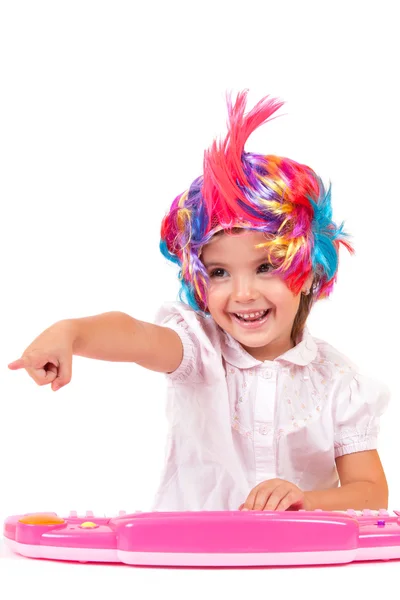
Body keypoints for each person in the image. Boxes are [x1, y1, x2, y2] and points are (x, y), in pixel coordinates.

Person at [8, 91, 389, 513]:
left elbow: (371, 491)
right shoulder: (198, 349)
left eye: (265, 267)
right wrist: (72, 333)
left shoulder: (337, 381)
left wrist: (307, 500)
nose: (243, 293)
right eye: (220, 272)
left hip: (297, 567)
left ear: (308, 268)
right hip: (190, 561)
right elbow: (133, 335)